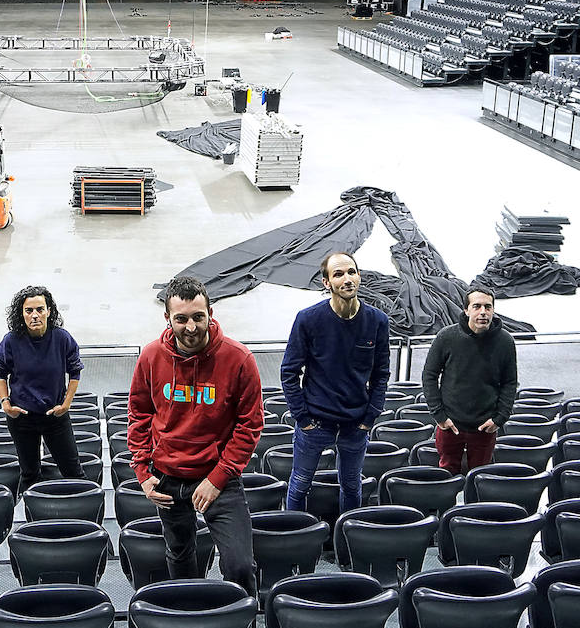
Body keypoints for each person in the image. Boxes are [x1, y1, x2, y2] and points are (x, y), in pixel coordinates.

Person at [128, 276, 262, 595]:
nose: (191, 327)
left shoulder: (239, 359)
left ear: (210, 313)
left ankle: (240, 622)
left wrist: (217, 478)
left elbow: (249, 425)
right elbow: (139, 415)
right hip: (168, 477)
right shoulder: (150, 357)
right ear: (168, 318)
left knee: (239, 564)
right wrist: (143, 472)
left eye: (198, 317)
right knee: (179, 553)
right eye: (181, 319)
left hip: (219, 475)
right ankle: (189, 611)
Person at [280, 252, 390, 514]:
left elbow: (381, 374)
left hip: (356, 423)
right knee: (299, 483)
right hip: (315, 423)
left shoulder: (377, 321)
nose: (347, 279)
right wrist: (302, 417)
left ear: (359, 276)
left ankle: (346, 544)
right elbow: (289, 371)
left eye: (351, 272)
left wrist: (369, 417)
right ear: (326, 283)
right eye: (338, 274)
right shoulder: (308, 319)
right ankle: (297, 540)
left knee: (352, 485)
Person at [0, 286, 85, 494]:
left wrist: (66, 404)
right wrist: (6, 404)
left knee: (73, 472)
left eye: (40, 309)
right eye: (29, 311)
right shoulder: (11, 341)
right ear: (22, 313)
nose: (35, 315)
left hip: (55, 416)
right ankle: (35, 520)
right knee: (30, 474)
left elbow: (75, 371)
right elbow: (0, 372)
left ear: (49, 311)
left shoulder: (62, 338)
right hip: (22, 419)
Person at [422, 289, 518, 474]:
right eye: (477, 306)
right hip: (450, 425)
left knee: (480, 477)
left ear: (493, 310)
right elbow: (429, 376)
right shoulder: (446, 337)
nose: (483, 311)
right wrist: (440, 416)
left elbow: (509, 382)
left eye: (488, 307)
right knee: (446, 474)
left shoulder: (505, 341)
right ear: (466, 310)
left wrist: (499, 419)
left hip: (485, 427)